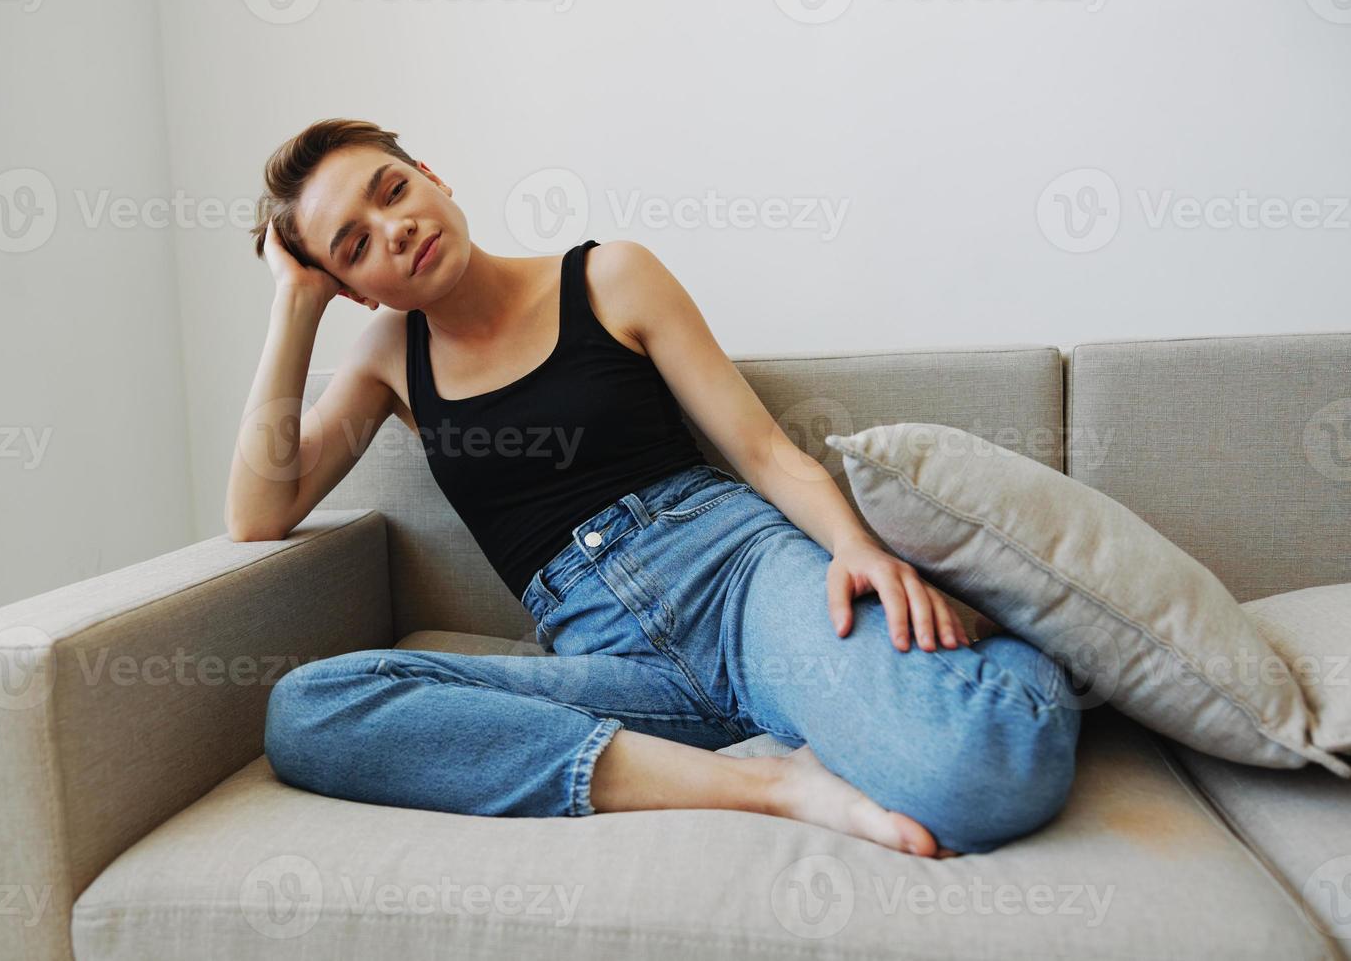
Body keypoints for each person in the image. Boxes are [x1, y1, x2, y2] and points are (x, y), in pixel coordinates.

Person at [226, 118, 1080, 858]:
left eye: (393, 190)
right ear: (348, 287)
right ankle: (775, 783)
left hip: (740, 581)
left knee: (988, 772)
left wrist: (853, 545)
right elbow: (258, 513)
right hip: (613, 663)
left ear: (435, 180)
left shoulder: (610, 277)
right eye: (355, 245)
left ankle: (1017, 652)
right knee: (308, 710)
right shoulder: (386, 361)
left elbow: (763, 451)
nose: (395, 228)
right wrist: (292, 305)